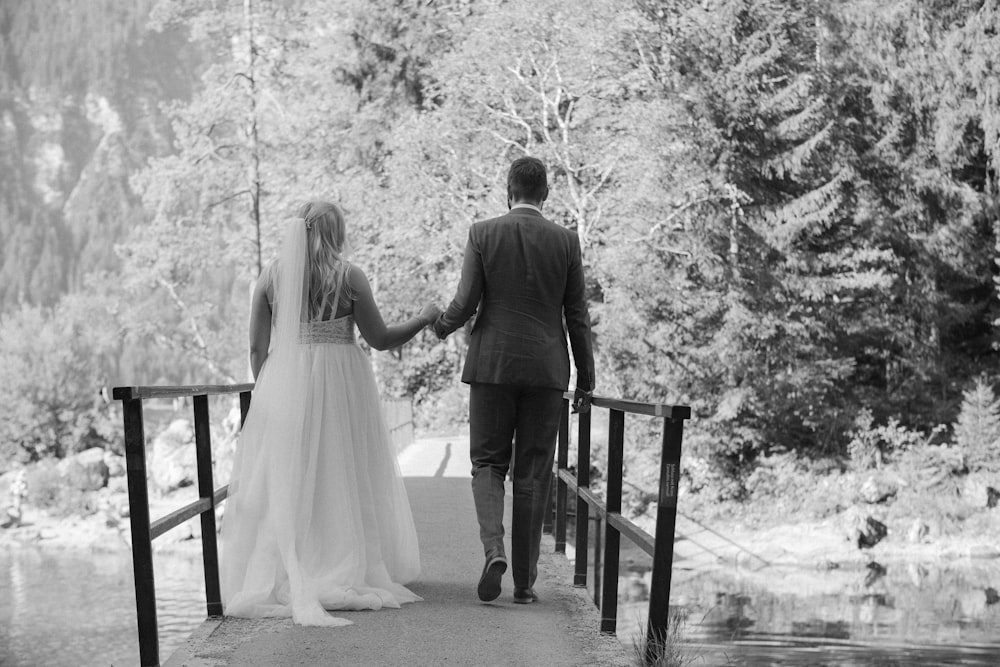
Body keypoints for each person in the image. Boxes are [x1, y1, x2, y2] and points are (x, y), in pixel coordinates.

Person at [220, 201, 439, 626]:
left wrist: (269, 395)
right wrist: (423, 318)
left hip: (288, 380)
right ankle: (344, 560)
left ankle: (295, 565)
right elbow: (379, 338)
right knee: (344, 468)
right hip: (342, 380)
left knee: (291, 475)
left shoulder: (272, 276)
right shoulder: (349, 275)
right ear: (335, 232)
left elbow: (255, 348)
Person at [432, 157, 595, 604]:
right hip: (546, 371)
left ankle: (493, 552)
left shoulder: (483, 233)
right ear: (545, 194)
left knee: (488, 464)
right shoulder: (566, 242)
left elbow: (466, 301)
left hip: (492, 366)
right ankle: (524, 583)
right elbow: (577, 317)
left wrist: (441, 325)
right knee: (534, 472)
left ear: (509, 191)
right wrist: (586, 380)